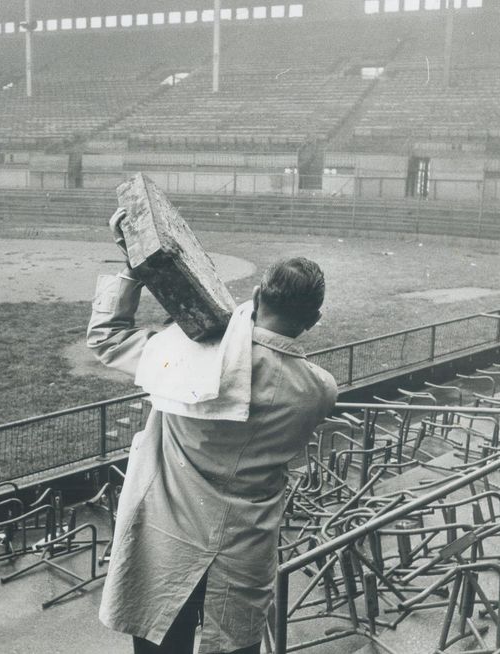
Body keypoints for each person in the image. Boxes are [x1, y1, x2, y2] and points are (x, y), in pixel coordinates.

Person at [88, 209, 338, 654]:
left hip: (167, 539)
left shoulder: (193, 357)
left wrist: (135, 266)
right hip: (244, 547)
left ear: (258, 294)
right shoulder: (320, 390)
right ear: (313, 320)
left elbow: (107, 339)